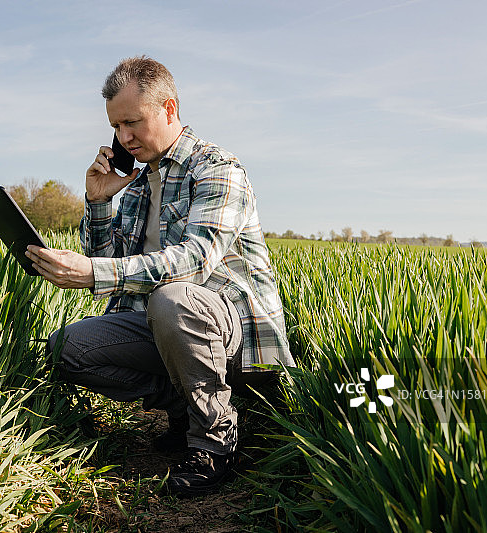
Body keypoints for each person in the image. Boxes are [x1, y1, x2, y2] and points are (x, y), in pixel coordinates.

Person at [25, 56, 294, 496]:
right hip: (165, 328)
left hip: (236, 339)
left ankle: (215, 440)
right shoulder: (137, 182)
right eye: (116, 127)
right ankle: (187, 407)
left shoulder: (218, 169)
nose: (123, 138)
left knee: (173, 298)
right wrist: (97, 203)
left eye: (132, 123)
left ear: (169, 108)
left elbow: (195, 261)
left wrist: (94, 272)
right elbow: (107, 258)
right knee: (65, 350)